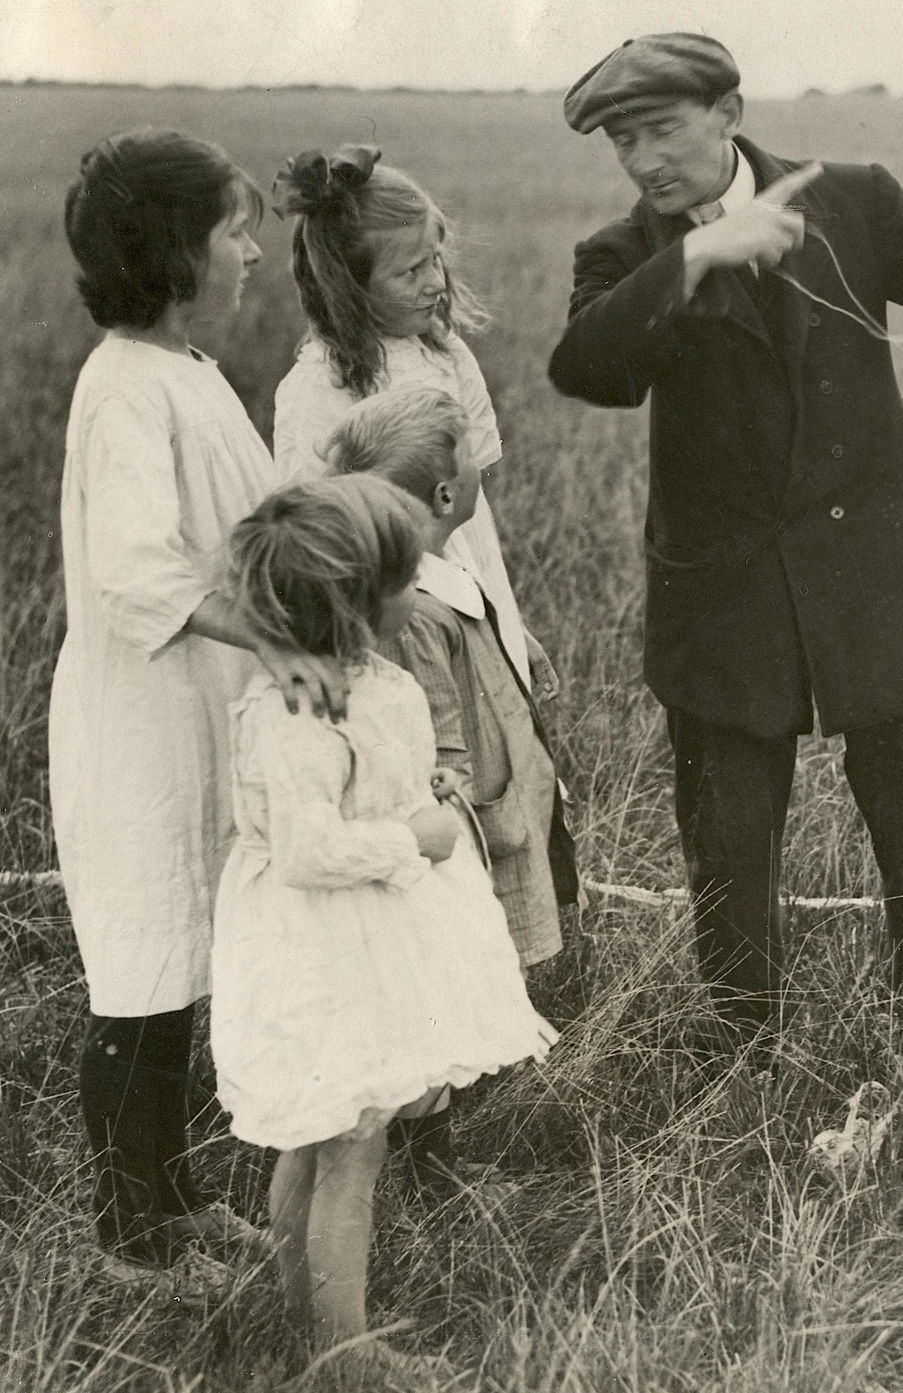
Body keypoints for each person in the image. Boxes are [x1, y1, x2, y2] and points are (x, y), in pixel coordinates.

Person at [548, 33, 903, 1041]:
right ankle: (743, 1046)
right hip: (725, 606)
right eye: (621, 143)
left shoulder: (851, 199)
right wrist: (693, 258)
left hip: (882, 580)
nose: (643, 160)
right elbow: (589, 370)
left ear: (728, 113)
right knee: (729, 849)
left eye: (661, 131)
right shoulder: (625, 256)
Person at [51, 128, 346, 1274]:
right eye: (234, 232)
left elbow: (251, 520)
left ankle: (168, 1202)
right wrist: (273, 634)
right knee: (141, 976)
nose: (253, 256)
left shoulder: (188, 376)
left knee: (177, 962)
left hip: (193, 714)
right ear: (174, 252)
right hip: (139, 727)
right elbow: (135, 574)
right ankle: (133, 1237)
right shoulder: (124, 386)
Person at [209, 475, 558, 1375]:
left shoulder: (371, 684)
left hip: (366, 935)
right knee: (346, 1146)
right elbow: (305, 849)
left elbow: (372, 791)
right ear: (357, 602)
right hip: (325, 947)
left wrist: (420, 796)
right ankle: (343, 1348)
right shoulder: (298, 711)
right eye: (409, 579)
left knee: (329, 1135)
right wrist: (415, 833)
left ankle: (306, 1316)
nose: (422, 588)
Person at [325, 385, 581, 1191]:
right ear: (445, 493)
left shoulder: (437, 573)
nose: (481, 462)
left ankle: (437, 1154)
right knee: (436, 996)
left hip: (476, 816)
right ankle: (433, 1170)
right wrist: (457, 816)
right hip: (455, 833)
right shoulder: (419, 611)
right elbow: (436, 737)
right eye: (470, 451)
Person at [270, 144, 557, 705]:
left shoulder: (446, 356)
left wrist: (505, 626)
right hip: (386, 625)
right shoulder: (318, 389)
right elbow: (315, 539)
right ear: (350, 285)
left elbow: (468, 529)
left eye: (436, 260)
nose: (436, 283)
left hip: (468, 596)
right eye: (410, 271)